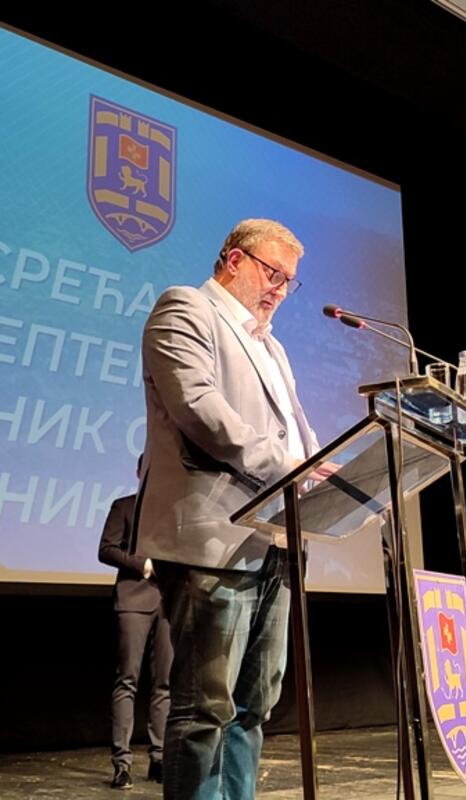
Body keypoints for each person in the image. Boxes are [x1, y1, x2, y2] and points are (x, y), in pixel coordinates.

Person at [135, 218, 326, 799]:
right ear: (234, 260)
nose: (280, 290)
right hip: (213, 541)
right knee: (205, 708)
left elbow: (295, 430)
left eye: (289, 281)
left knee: (253, 707)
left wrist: (321, 465)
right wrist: (291, 465)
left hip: (275, 541)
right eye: (273, 273)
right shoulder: (185, 309)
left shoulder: (271, 345)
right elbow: (199, 408)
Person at [98, 460, 173, 789]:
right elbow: (106, 549)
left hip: (169, 603)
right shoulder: (124, 506)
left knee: (164, 684)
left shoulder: (175, 511)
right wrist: (144, 565)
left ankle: (159, 758)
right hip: (133, 600)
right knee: (127, 680)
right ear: (139, 473)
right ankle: (122, 763)